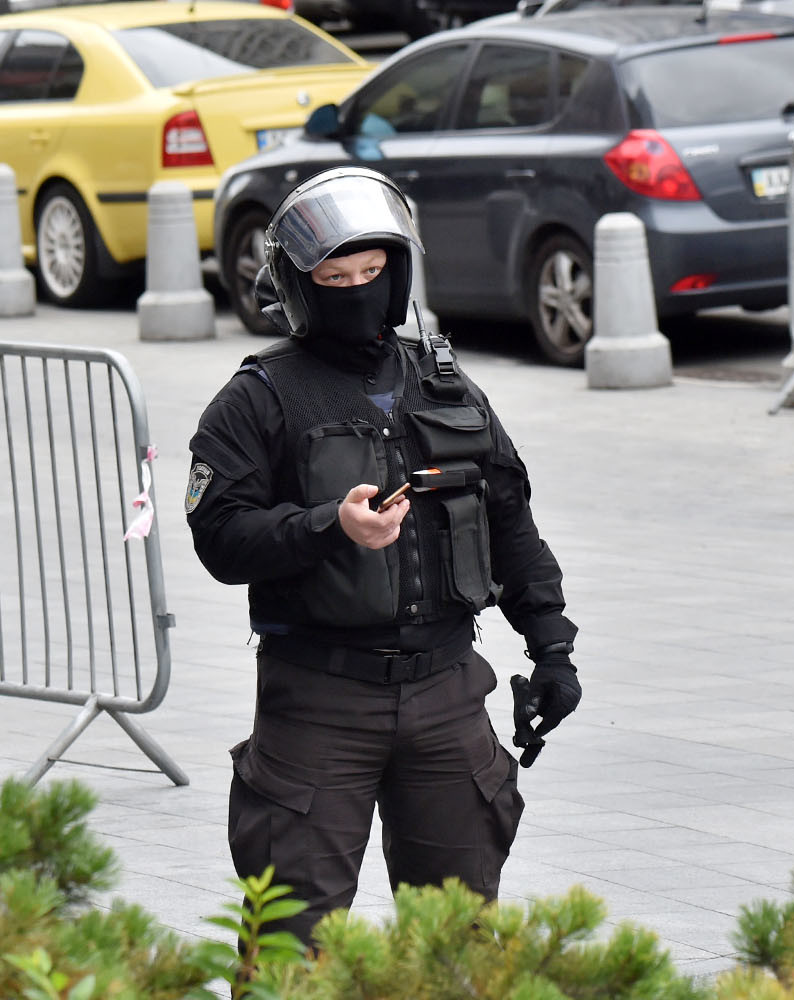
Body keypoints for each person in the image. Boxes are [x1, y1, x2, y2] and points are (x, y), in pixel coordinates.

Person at [184, 166, 582, 944]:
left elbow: (510, 523)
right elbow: (221, 538)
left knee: (458, 944)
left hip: (447, 695)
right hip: (319, 701)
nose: (356, 290)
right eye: (336, 278)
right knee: (290, 948)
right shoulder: (257, 398)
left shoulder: (445, 385)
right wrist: (329, 526)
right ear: (299, 285)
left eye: (371, 272)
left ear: (396, 275)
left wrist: (553, 650)